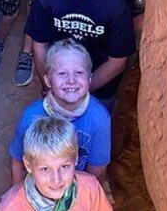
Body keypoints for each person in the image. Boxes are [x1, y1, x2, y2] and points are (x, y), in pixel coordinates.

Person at [10, 40, 110, 184]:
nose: (71, 80)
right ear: (48, 81)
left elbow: (96, 174)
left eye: (79, 72)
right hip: (40, 186)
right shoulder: (31, 117)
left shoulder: (99, 119)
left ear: (89, 79)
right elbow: (18, 161)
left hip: (77, 187)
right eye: (62, 73)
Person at [0, 117, 112, 211]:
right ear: (28, 165)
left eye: (64, 166)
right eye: (45, 169)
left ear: (76, 158)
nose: (56, 180)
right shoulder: (11, 207)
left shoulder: (90, 189)